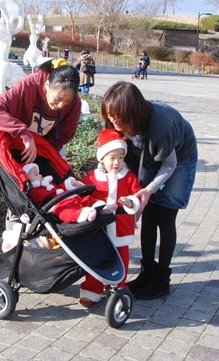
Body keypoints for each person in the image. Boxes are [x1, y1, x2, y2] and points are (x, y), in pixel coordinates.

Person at [100, 81, 197, 300]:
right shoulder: (122, 122)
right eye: (110, 116)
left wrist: (149, 189)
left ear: (130, 112)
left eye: (117, 117)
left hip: (179, 158)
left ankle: (161, 278)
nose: (113, 122)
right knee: (149, 214)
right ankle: (147, 272)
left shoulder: (161, 125)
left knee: (165, 214)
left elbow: (169, 165)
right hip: (152, 151)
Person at [53, 129, 142, 307]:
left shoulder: (128, 177)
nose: (117, 162)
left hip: (121, 228)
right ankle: (92, 289)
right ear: (101, 158)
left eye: (121, 158)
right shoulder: (93, 177)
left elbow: (137, 195)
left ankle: (118, 287)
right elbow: (83, 193)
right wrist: (79, 188)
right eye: (112, 158)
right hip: (99, 228)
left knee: (121, 260)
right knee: (96, 258)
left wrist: (131, 202)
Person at [0, 59, 81, 164]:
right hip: (12, 146)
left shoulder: (75, 104)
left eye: (67, 102)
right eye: (58, 99)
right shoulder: (28, 85)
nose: (61, 105)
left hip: (41, 151)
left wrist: (44, 157)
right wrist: (24, 133)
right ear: (47, 85)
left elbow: (62, 136)